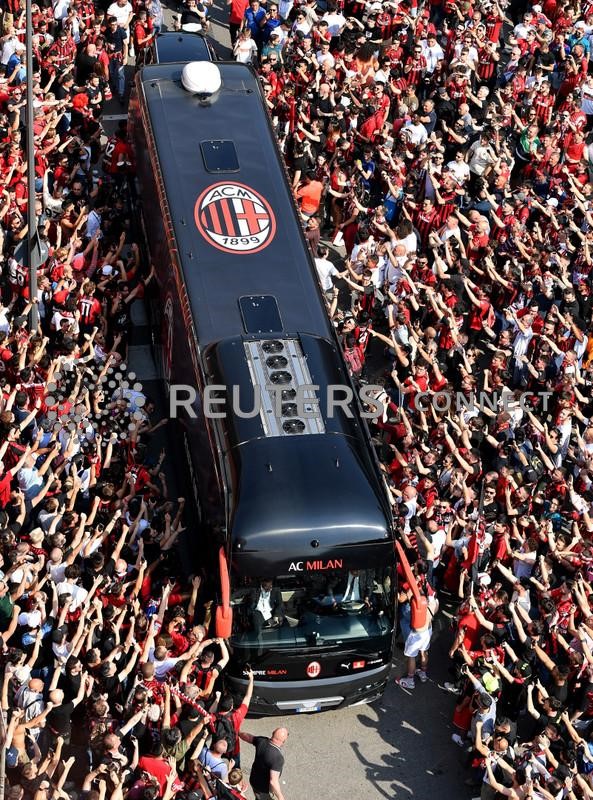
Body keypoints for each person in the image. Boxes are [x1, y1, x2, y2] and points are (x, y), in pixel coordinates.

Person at [239, 727, 288, 800]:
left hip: (253, 779)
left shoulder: (262, 741)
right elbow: (273, 782)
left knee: (258, 796)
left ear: (272, 734)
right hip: (263, 789)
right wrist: (281, 797)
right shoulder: (278, 758)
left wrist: (239, 733)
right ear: (284, 741)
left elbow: (248, 737)